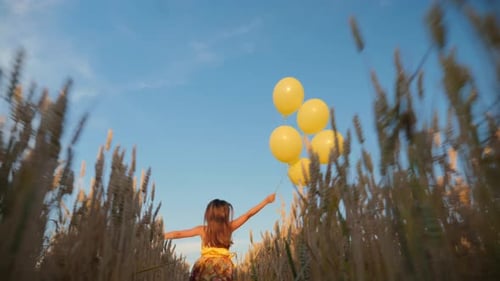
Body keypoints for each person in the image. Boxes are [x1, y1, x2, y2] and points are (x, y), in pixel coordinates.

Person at [164, 193, 276, 281]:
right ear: (226, 214)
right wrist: (266, 201)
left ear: (208, 215)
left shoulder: (203, 230)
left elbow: (178, 234)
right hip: (223, 267)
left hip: (204, 266)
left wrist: (160, 235)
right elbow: (248, 215)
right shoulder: (229, 227)